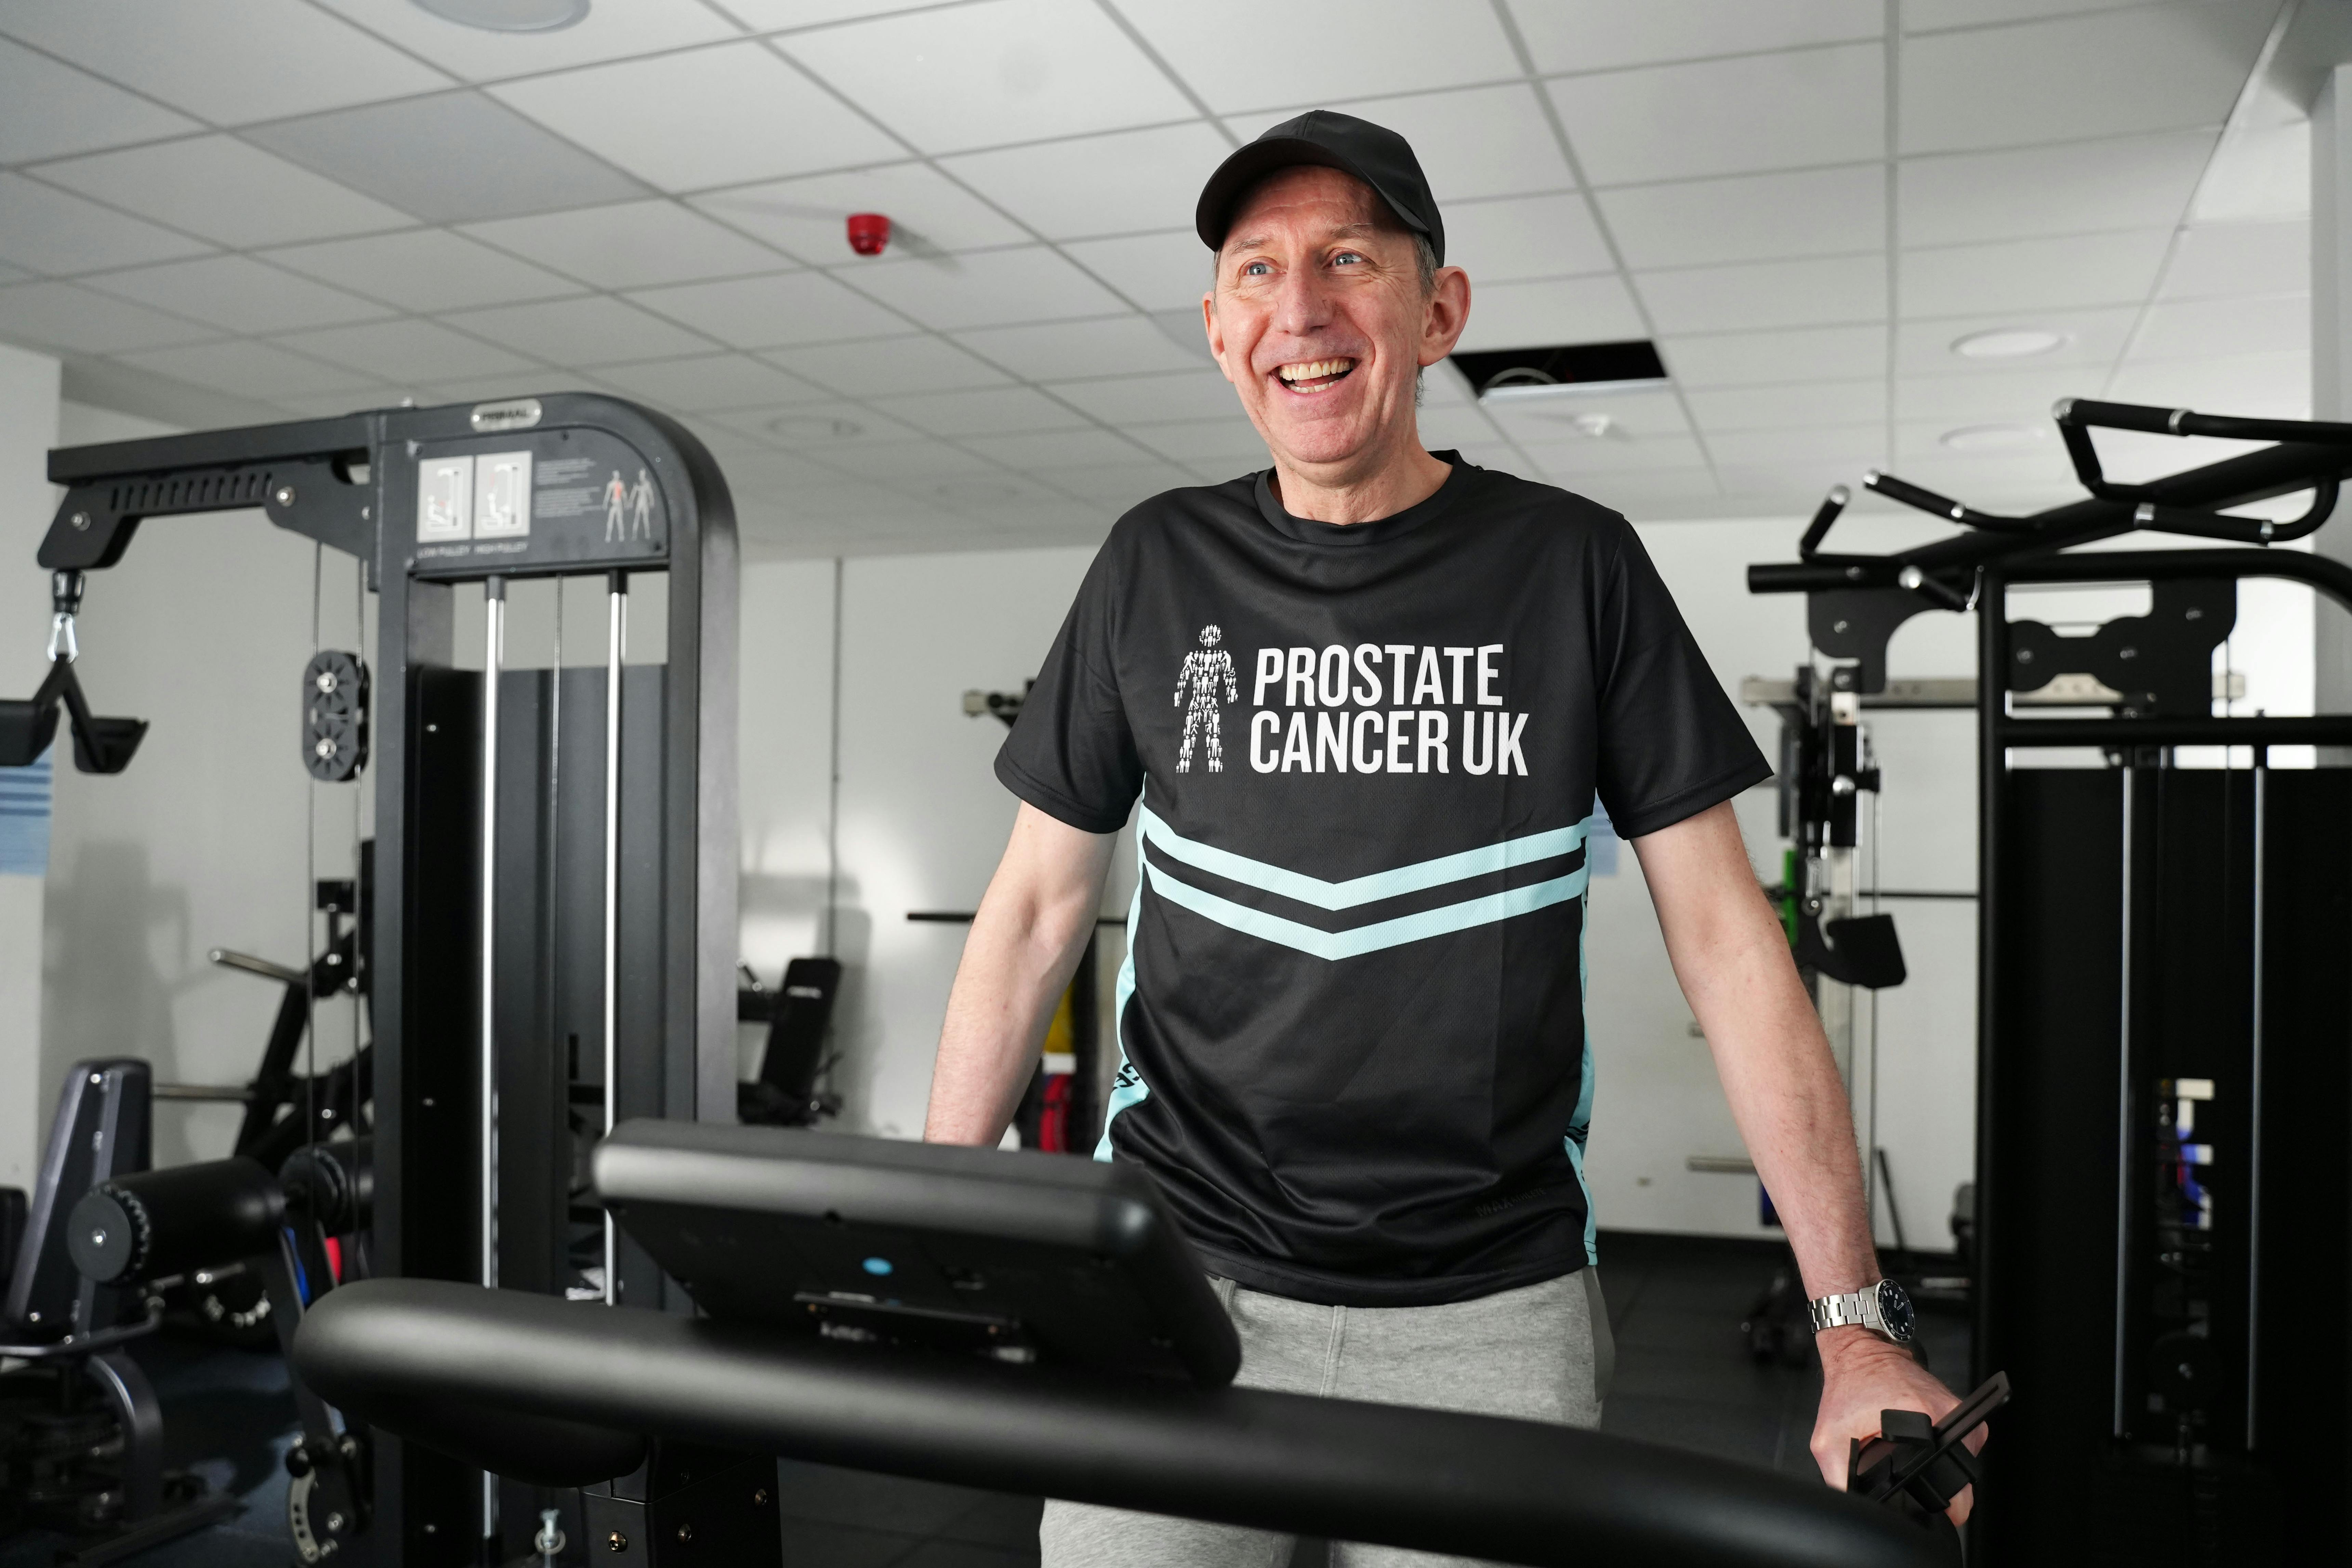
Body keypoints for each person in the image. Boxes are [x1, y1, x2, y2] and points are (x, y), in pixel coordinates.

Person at [925, 111, 1973, 1567]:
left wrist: (1854, 1331)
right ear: (1218, 329)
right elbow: (1035, 905)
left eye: (1349, 257)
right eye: (1257, 269)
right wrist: (934, 1240)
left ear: (1439, 310)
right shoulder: (1151, 564)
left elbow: (1731, 947)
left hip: (1487, 1304)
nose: (1301, 307)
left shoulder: (1572, 564)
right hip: (1177, 1278)